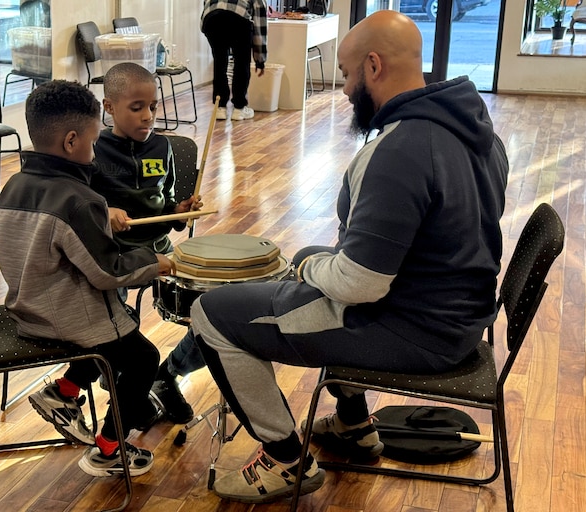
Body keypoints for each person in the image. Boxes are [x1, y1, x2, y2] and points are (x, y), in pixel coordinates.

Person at [190, 10, 509, 504]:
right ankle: (354, 426)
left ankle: (283, 458)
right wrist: (317, 262)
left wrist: (307, 268)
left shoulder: (401, 149)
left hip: (415, 330)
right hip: (459, 316)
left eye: (345, 74)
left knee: (210, 314)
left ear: (374, 66)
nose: (342, 90)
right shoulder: (478, 134)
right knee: (317, 257)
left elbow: (360, 284)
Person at [0, 79, 176, 477]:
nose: (94, 152)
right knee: (143, 357)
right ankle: (109, 449)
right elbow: (108, 271)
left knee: (116, 341)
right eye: (93, 142)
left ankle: (65, 392)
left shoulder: (15, 184)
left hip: (27, 306)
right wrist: (156, 261)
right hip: (64, 318)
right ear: (73, 141)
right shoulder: (78, 200)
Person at [90, 62, 203, 426]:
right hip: (114, 254)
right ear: (109, 107)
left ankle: (167, 375)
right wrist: (104, 210)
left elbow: (166, 206)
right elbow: (78, 207)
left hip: (158, 247)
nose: (147, 116)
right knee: (112, 321)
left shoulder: (161, 147)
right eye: (136, 107)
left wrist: (179, 211)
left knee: (210, 309)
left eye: (152, 106)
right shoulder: (94, 150)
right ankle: (124, 382)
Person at [201, 0, 267, 121]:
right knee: (242, 64)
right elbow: (259, 24)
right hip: (238, 19)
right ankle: (239, 108)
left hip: (212, 19)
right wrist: (260, 60)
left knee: (219, 63)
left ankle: (219, 107)